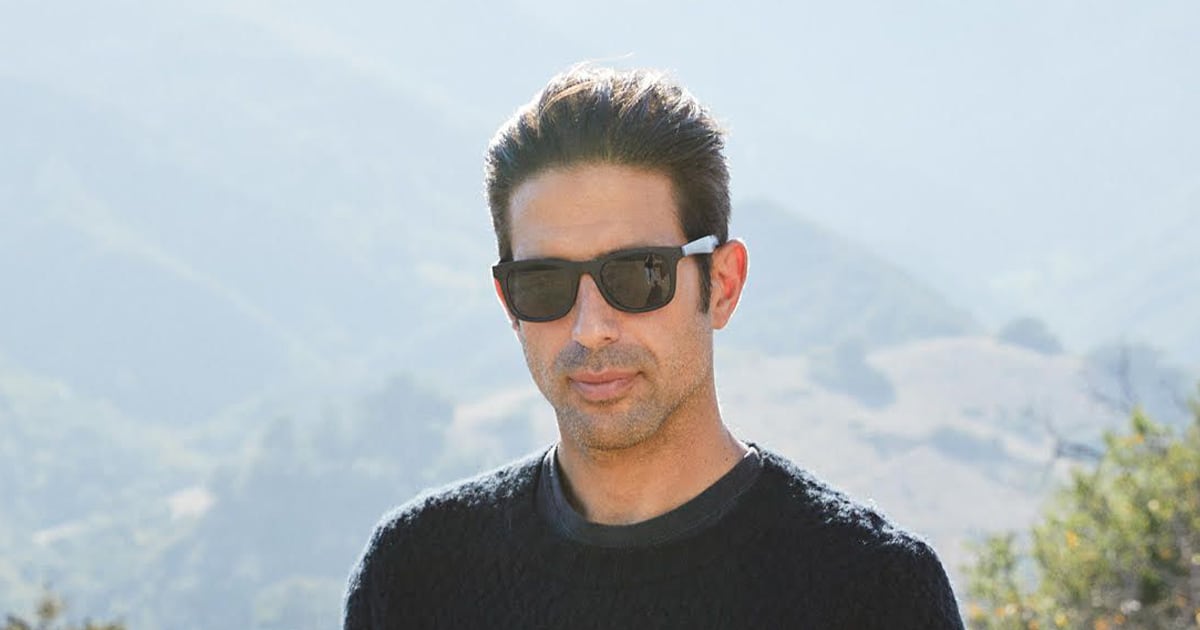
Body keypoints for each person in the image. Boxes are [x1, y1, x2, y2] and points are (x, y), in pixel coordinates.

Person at [343, 64, 965, 629]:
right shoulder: (415, 575)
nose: (590, 327)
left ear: (722, 285)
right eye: (544, 283)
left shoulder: (872, 591)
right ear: (509, 303)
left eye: (638, 275)